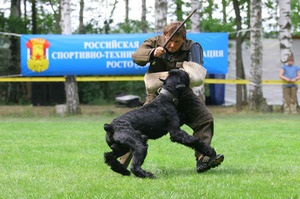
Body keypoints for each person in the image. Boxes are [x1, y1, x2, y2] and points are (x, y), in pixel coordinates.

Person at [119, 21, 224, 173]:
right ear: (165, 35)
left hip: (183, 94)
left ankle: (203, 159)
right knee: (139, 127)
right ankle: (121, 161)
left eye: (177, 42)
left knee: (204, 119)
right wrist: (152, 53)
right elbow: (136, 57)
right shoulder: (153, 42)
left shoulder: (192, 47)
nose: (173, 45)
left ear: (184, 38)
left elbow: (196, 73)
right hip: (158, 95)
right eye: (170, 40)